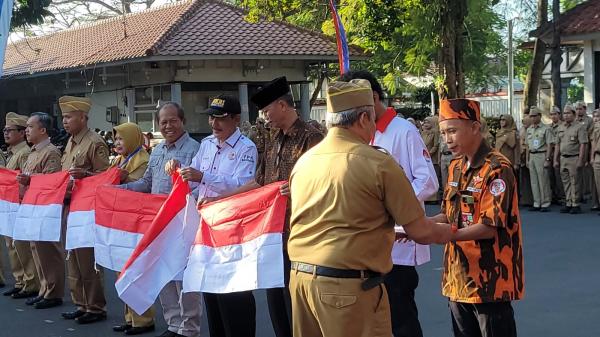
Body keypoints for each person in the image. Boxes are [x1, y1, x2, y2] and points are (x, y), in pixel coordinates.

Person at [287, 79, 452, 337]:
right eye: (373, 120)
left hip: (301, 282)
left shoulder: (305, 162)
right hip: (347, 288)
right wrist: (455, 231)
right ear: (364, 118)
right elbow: (420, 231)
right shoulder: (377, 162)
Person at [213, 77, 324, 337]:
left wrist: (297, 190)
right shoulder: (274, 140)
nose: (264, 117)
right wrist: (225, 199)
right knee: (276, 302)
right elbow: (259, 182)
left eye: (267, 111)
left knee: (299, 305)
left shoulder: (313, 138)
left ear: (283, 105)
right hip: (273, 235)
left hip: (302, 235)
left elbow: (325, 183)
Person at [340, 70, 438, 337]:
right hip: (368, 244)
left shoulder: (402, 131)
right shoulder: (357, 134)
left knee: (400, 317)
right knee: (375, 319)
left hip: (399, 245)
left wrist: (392, 207)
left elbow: (428, 181)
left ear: (372, 97)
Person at [172, 95, 259, 337]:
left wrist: (203, 178)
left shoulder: (246, 148)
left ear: (236, 119)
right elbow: (194, 181)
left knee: (233, 288)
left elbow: (242, 186)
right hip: (206, 224)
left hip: (232, 225)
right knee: (210, 286)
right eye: (211, 117)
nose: (214, 123)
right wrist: (180, 184)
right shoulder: (207, 144)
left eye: (220, 118)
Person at [438, 98, 524, 337]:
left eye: (453, 131)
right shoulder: (456, 166)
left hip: (489, 283)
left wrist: (444, 234)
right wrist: (416, 226)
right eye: (443, 133)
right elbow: (450, 215)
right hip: (457, 279)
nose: (447, 139)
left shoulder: (497, 168)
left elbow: (489, 226)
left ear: (475, 127)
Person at [122, 102, 202, 337]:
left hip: (183, 223)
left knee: (184, 278)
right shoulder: (156, 151)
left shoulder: (195, 150)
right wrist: (120, 188)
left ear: (182, 121)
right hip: (158, 224)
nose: (168, 126)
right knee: (164, 273)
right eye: (163, 122)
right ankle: (173, 324)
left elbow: (199, 188)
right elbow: (146, 184)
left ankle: (189, 328)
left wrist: (180, 205)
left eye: (173, 120)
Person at [58, 96, 110, 324]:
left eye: (68, 117)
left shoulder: (94, 142)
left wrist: (85, 176)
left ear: (82, 117)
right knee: (72, 257)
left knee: (88, 260)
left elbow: (104, 178)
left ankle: (96, 306)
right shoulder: (70, 142)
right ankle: (81, 303)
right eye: (63, 117)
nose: (64, 121)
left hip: (87, 210)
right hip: (70, 206)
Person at [110, 122, 155, 336]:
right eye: (116, 139)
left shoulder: (143, 160)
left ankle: (144, 319)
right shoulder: (120, 160)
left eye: (121, 138)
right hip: (121, 220)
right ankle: (130, 318)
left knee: (136, 270)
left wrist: (123, 179)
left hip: (137, 220)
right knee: (122, 269)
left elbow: (141, 189)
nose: (118, 143)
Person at [17, 112, 65, 310]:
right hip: (32, 205)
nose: (26, 130)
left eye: (30, 126)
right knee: (37, 249)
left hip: (45, 206)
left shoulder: (51, 152)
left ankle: (54, 292)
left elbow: (51, 180)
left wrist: (30, 179)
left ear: (43, 130)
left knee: (48, 250)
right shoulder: (34, 151)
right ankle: (44, 288)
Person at [2, 112, 40, 300]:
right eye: (5, 130)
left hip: (19, 202)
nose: (6, 133)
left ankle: (30, 281)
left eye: (10, 130)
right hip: (10, 202)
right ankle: (21, 281)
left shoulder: (24, 153)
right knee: (12, 244)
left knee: (22, 245)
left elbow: (26, 179)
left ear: (21, 132)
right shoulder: (11, 153)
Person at [554, 104, 588, 214]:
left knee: (575, 182)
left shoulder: (579, 127)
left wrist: (581, 160)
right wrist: (555, 159)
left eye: (568, 113)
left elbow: (583, 144)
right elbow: (557, 145)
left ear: (574, 114)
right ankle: (568, 202)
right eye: (564, 113)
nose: (566, 115)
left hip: (574, 157)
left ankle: (575, 204)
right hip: (563, 158)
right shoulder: (561, 127)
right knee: (566, 182)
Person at [526, 107, 553, 212]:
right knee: (534, 181)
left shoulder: (546, 129)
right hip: (532, 155)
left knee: (543, 180)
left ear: (539, 116)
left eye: (534, 116)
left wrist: (547, 158)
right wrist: (527, 159)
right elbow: (528, 146)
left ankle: (545, 203)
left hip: (541, 154)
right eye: (531, 116)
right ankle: (536, 202)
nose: (532, 118)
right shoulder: (529, 129)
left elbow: (549, 145)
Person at [421, 116, 441, 204]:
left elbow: (436, 145)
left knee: (434, 177)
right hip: (423, 158)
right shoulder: (422, 133)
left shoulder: (435, 132)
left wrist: (429, 154)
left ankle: (434, 198)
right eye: (425, 123)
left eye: (428, 122)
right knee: (426, 178)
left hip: (432, 159)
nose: (425, 124)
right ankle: (427, 198)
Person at [549, 107, 565, 205]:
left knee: (559, 176)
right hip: (550, 153)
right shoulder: (548, 127)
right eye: (551, 114)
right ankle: (554, 196)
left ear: (559, 115)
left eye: (555, 114)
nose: (553, 116)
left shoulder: (563, 126)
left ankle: (562, 197)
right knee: (551, 176)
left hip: (559, 153)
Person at [519, 115, 534, 206]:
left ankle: (531, 199)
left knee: (531, 179)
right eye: (523, 122)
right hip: (521, 156)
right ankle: (525, 198)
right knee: (524, 179)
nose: (524, 123)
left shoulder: (530, 130)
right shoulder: (521, 130)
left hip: (528, 155)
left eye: (525, 121)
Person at [590, 109, 600, 215]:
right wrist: (592, 157)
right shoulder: (597, 126)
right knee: (598, 183)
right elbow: (593, 143)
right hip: (598, 156)